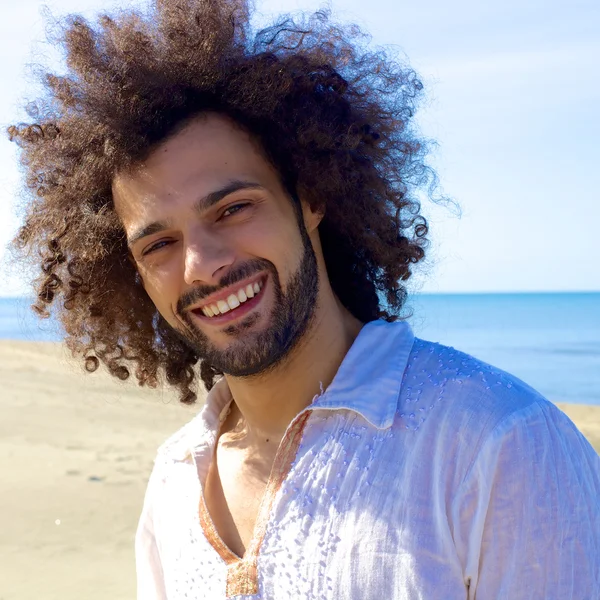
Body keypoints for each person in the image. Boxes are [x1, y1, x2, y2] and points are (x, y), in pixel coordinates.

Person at [8, 0, 600, 598]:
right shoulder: (173, 481)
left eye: (233, 208)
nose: (201, 264)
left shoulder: (499, 445)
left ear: (311, 197)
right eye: (159, 243)